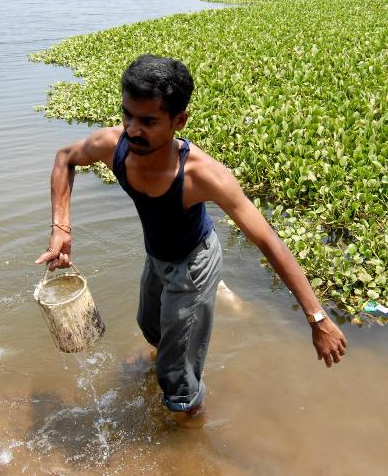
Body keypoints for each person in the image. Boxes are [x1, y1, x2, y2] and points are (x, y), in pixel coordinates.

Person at [35, 54, 347, 416]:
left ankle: (188, 424)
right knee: (149, 326)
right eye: (128, 115)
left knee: (175, 377)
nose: (133, 130)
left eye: (148, 121)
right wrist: (60, 226)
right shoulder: (113, 145)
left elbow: (268, 241)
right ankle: (195, 325)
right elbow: (65, 158)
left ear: (178, 120)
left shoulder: (203, 176)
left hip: (193, 264)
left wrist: (317, 318)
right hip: (157, 255)